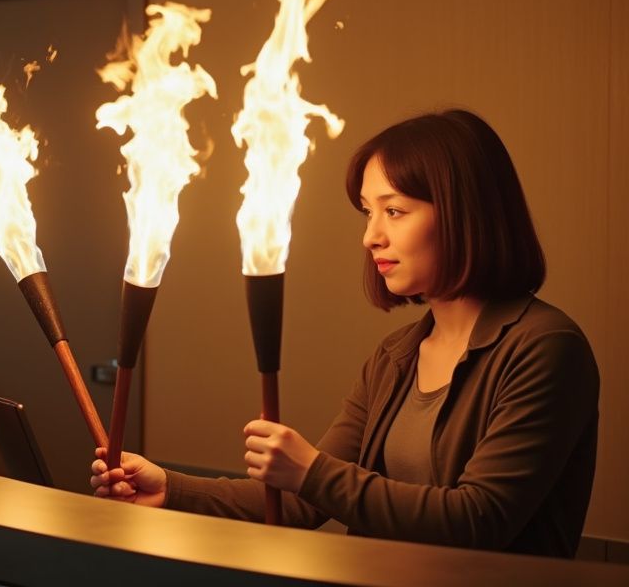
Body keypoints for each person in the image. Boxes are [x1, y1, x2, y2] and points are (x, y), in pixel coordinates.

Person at [90, 109, 598, 558]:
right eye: (367, 212)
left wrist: (310, 470)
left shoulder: (546, 348)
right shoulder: (396, 356)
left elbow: (478, 520)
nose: (371, 236)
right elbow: (299, 501)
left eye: (394, 211)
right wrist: (170, 488)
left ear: (466, 213)